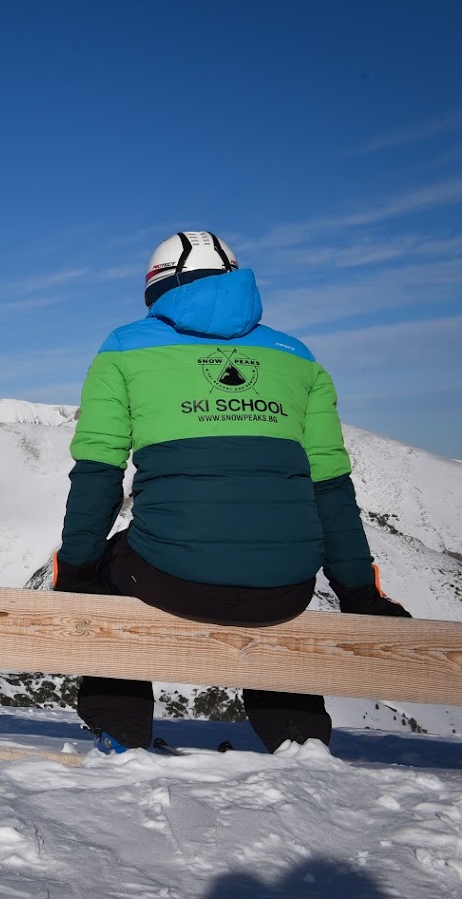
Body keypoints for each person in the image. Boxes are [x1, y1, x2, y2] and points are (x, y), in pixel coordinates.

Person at [52, 230, 411, 754]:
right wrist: (360, 593)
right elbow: (330, 488)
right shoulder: (298, 355)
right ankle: (297, 738)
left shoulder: (124, 347)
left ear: (155, 290)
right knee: (266, 573)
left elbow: (99, 472)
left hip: (167, 577)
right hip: (288, 587)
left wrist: (77, 572)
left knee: (107, 567)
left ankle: (121, 733)